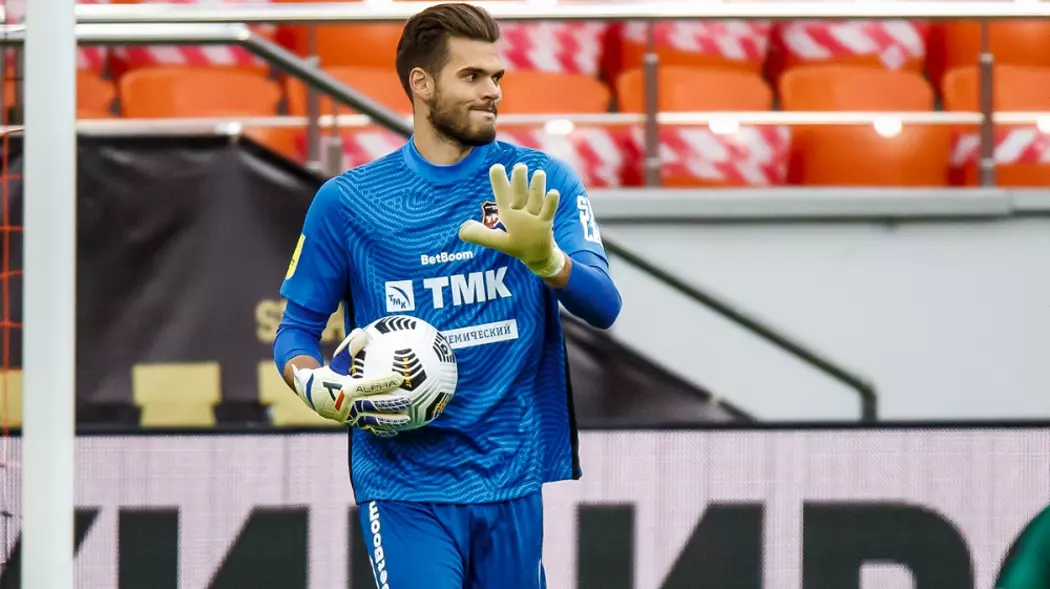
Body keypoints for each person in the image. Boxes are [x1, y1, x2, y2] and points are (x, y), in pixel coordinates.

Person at [272, 3, 622, 588]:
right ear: (422, 83)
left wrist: (550, 262)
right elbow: (296, 332)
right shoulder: (347, 203)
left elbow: (605, 306)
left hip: (510, 472)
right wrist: (314, 384)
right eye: (472, 76)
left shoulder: (537, 184)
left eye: (496, 77)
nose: (492, 92)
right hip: (403, 482)